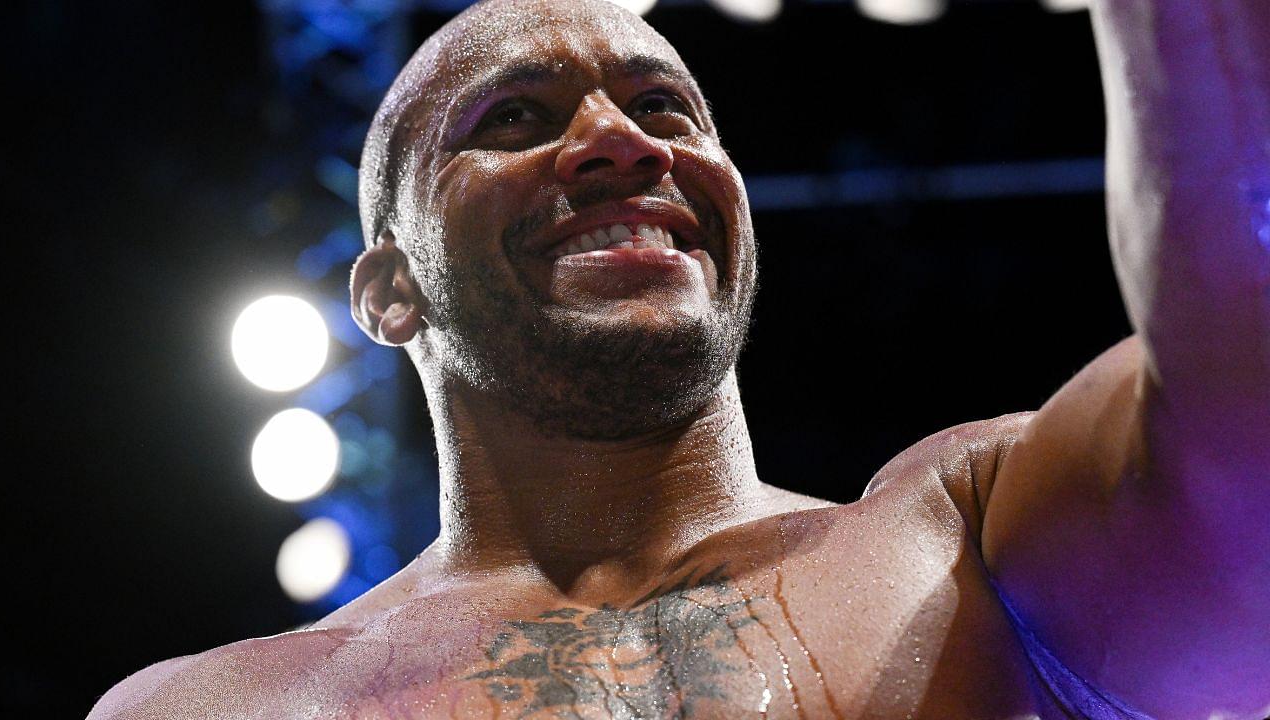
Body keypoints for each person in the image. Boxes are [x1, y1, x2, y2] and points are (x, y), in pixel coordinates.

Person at [89, 0, 1268, 717]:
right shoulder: (222, 709)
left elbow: (1243, 394)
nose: (616, 142)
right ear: (389, 291)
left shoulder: (979, 538)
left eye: (667, 111)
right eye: (511, 117)